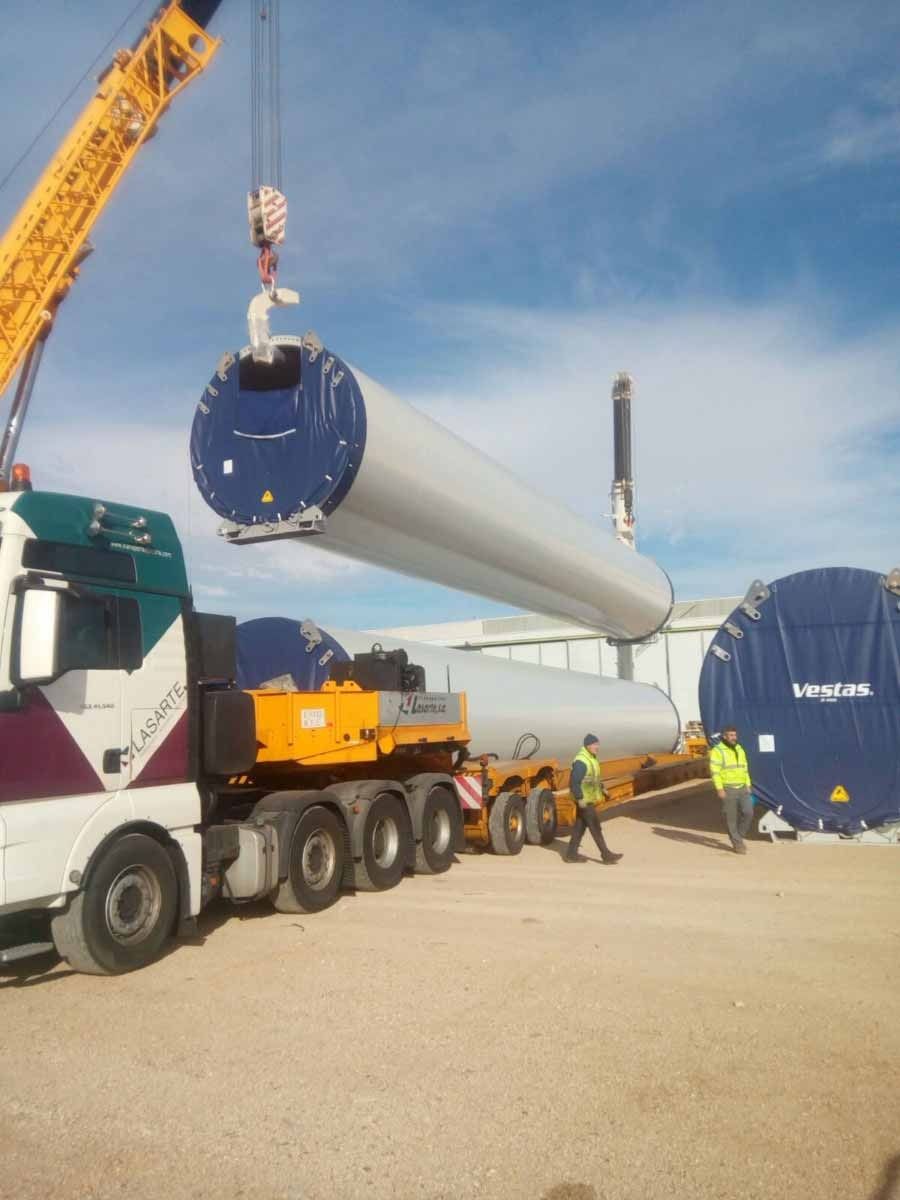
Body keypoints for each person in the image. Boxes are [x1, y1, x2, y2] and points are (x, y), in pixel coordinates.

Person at [564, 734, 623, 864]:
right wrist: (580, 799)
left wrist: (603, 789)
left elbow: (593, 778)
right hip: (584, 800)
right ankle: (606, 854)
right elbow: (574, 782)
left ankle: (571, 854)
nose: (598, 747)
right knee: (595, 826)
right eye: (595, 744)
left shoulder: (591, 758)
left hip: (588, 798)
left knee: (580, 827)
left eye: (598, 744)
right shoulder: (581, 761)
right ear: (588, 745)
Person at [710, 725, 754, 853]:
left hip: (742, 787)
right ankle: (737, 844)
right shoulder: (718, 751)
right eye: (730, 735)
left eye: (734, 735)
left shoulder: (740, 748)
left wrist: (748, 784)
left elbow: (744, 768)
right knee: (731, 817)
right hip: (728, 788)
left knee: (748, 812)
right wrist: (719, 789)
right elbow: (715, 772)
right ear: (724, 736)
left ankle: (738, 837)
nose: (733, 737)